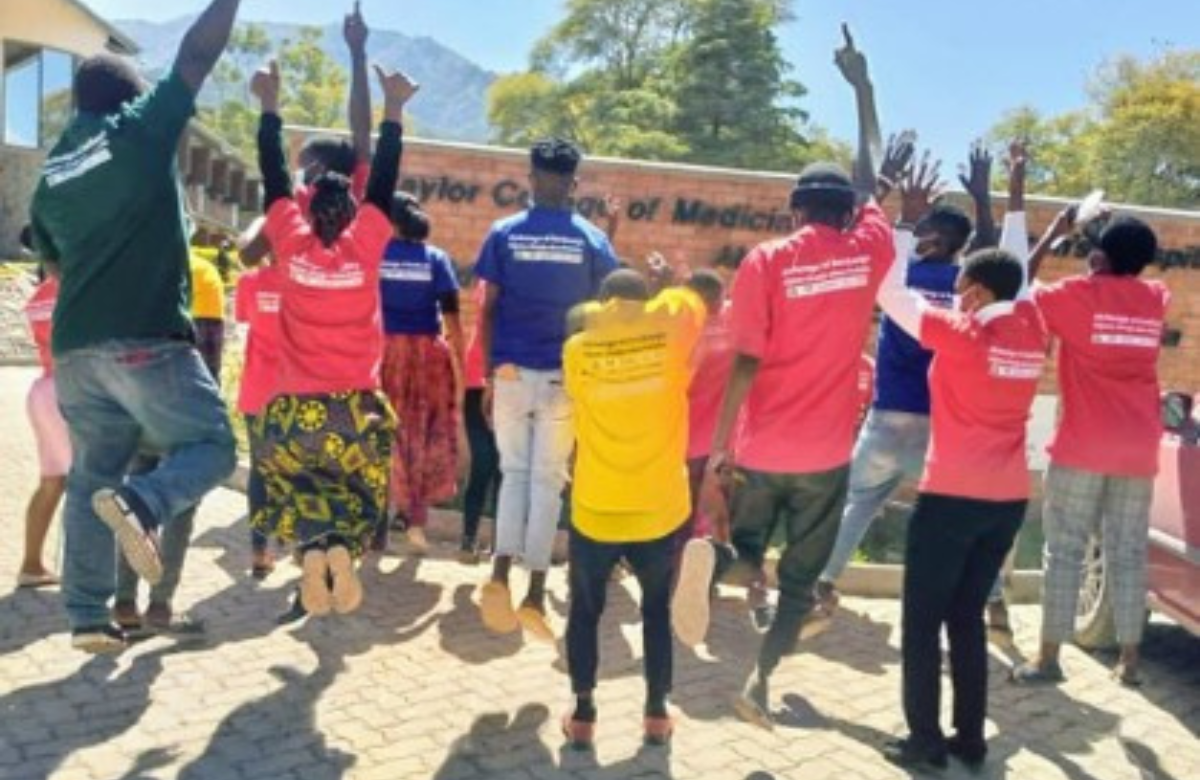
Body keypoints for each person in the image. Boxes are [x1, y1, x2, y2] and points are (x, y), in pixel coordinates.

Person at [671, 24, 900, 729]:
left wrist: (722, 447)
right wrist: (862, 88)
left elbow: (744, 358)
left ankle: (727, 563)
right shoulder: (868, 249)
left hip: (763, 446)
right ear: (847, 213)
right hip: (827, 453)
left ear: (796, 210)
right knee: (799, 584)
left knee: (750, 551)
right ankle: (760, 684)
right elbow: (871, 176)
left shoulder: (769, 261)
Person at [28, 0, 243, 654]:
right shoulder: (139, 130)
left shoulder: (52, 175)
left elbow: (54, 261)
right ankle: (148, 503)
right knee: (213, 447)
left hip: (75, 354)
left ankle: (89, 617)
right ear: (129, 94)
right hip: (146, 338)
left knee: (95, 477)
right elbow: (196, 56)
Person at [874, 167, 1047, 770]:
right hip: (1007, 503)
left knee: (922, 624)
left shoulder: (958, 334)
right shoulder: (1033, 330)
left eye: (964, 286)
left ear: (972, 292)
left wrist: (899, 222)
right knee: (966, 619)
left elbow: (890, 294)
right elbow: (1017, 271)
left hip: (951, 498)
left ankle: (923, 744)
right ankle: (969, 739)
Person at [816, 140, 1015, 640]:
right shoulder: (970, 286)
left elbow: (859, 238)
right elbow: (1004, 264)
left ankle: (822, 583)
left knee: (857, 503)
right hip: (946, 423)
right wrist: (989, 199)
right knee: (963, 516)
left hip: (889, 415)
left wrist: (899, 211)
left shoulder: (899, 277)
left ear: (927, 236)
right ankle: (991, 603)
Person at [248, 54, 415, 616]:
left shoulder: (291, 246)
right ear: (353, 213)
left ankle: (316, 550)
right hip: (355, 410)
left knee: (298, 493)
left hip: (293, 410)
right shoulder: (366, 245)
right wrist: (393, 109)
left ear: (306, 209)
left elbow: (273, 174)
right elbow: (386, 177)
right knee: (359, 497)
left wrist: (269, 107)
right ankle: (341, 547)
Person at [1011, 208, 1169, 688]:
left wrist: (1056, 237)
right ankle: (1130, 662)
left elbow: (1018, 283)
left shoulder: (1077, 295)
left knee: (1064, 552)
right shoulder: (1156, 298)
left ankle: (1047, 659)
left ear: (1100, 256)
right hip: (1139, 447)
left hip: (1082, 446)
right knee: (1127, 551)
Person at [474, 137, 619, 642]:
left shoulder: (503, 233)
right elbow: (606, 313)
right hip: (566, 378)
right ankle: (535, 590)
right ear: (574, 183)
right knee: (548, 479)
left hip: (511, 371)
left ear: (532, 179)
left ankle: (497, 575)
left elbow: (487, 307)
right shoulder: (592, 241)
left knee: (513, 474)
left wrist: (490, 373)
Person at [561, 269, 706, 749]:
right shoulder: (672, 340)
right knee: (656, 612)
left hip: (596, 506)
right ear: (646, 304)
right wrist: (665, 284)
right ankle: (657, 714)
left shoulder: (577, 351)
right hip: (658, 508)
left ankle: (583, 715)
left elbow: (585, 325)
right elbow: (691, 300)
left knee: (584, 612)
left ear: (603, 305)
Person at [111, 245, 230, 638]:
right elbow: (209, 360)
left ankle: (124, 603)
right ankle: (160, 607)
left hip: (139, 411)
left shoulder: (132, 273)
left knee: (134, 500)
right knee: (179, 507)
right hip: (186, 417)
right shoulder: (205, 275)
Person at [237, 2, 374, 268]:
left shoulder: (301, 200)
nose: (295, 171)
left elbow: (248, 255)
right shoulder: (358, 194)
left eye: (299, 166)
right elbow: (363, 132)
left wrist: (260, 223)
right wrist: (358, 53)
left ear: (315, 168)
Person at [379, 194, 465, 555]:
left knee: (382, 431)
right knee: (423, 433)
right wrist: (458, 369)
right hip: (428, 356)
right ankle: (415, 519)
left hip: (383, 352)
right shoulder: (437, 259)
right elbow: (452, 320)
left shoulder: (376, 256)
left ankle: (376, 524)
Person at [233, 219, 284, 578]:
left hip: (256, 389)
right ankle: (294, 544)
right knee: (295, 468)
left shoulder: (249, 283)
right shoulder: (303, 282)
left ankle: (258, 549)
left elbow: (244, 322)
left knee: (260, 471)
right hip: (295, 391)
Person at [18, 228, 65, 589]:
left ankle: (32, 564)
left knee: (50, 481)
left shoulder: (37, 296)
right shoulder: (76, 291)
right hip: (72, 390)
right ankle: (89, 578)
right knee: (91, 484)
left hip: (43, 390)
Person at [459, 279, 502, 564]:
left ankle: (476, 540)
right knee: (497, 467)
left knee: (490, 465)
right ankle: (489, 543)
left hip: (483, 379)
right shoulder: (507, 283)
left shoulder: (487, 281)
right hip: (490, 380)